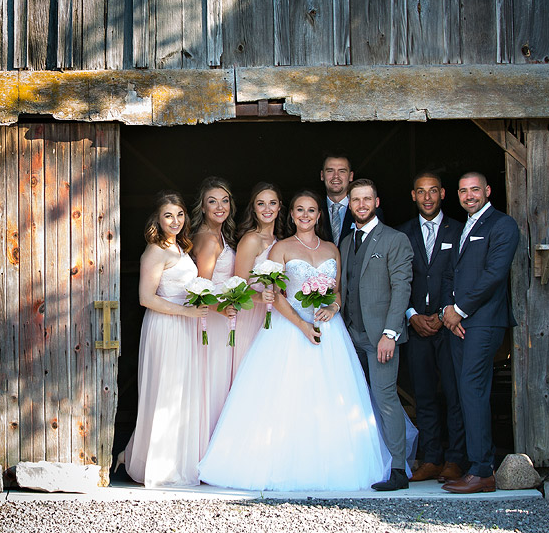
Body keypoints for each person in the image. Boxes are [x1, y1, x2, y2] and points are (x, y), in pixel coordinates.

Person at [198, 191, 389, 491]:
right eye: (299, 210)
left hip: (329, 331)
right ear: (292, 215)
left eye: (311, 210)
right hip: (289, 329)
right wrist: (301, 324)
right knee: (284, 395)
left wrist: (333, 307)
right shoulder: (281, 249)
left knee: (331, 395)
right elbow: (276, 296)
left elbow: (338, 291)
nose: (304, 215)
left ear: (318, 216)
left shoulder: (332, 249)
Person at [121, 192, 211, 487]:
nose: (175, 221)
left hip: (184, 327)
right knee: (165, 393)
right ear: (157, 220)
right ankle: (155, 463)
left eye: (180, 215)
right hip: (165, 326)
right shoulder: (156, 250)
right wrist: (187, 311)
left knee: (180, 394)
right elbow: (146, 298)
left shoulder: (181, 247)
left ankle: (169, 458)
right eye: (168, 215)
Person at [441, 172, 518, 494]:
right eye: (463, 191)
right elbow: (453, 273)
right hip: (461, 323)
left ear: (487, 191)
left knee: (473, 390)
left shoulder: (502, 225)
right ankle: (473, 465)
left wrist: (460, 310)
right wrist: (450, 311)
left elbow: (494, 275)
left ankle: (483, 470)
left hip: (484, 321)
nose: (469, 195)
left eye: (475, 190)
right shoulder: (465, 226)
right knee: (464, 391)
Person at [339, 179, 414, 491]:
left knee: (384, 397)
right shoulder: (345, 242)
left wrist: (390, 333)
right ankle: (358, 462)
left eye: (366, 199)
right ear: (350, 203)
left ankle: (398, 469)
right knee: (351, 400)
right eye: (356, 200)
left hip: (380, 336)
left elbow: (402, 289)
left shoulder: (395, 239)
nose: (361, 205)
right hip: (349, 334)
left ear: (377, 201)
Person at [397, 172, 467, 483]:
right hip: (416, 325)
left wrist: (442, 314)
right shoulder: (403, 233)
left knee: (453, 393)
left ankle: (454, 459)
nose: (427, 197)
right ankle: (430, 459)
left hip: (449, 324)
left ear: (442, 194)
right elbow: (400, 279)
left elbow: (464, 275)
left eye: (433, 191)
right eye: (421, 191)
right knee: (423, 394)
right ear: (413, 195)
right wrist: (411, 314)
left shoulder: (460, 230)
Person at [189, 176, 237, 433]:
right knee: (213, 383)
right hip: (214, 322)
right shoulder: (208, 240)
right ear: (203, 207)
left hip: (221, 320)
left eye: (225, 200)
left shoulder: (219, 235)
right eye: (212, 201)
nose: (220, 206)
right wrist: (224, 308)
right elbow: (202, 290)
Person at [227, 182, 285, 377]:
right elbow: (238, 288)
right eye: (261, 204)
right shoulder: (251, 239)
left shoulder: (281, 240)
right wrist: (260, 298)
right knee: (252, 374)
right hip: (252, 316)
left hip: (276, 315)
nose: (267, 209)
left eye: (272, 203)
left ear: (279, 206)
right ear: (253, 208)